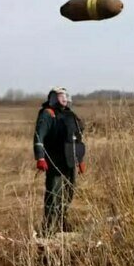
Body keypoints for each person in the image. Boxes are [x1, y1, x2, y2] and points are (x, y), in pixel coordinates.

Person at [33, 86, 86, 235]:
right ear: (53, 98)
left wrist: (80, 160)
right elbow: (39, 136)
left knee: (68, 193)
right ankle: (49, 227)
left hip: (69, 161)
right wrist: (40, 157)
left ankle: (62, 223)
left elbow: (77, 138)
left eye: (65, 95)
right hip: (54, 161)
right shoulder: (47, 114)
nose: (63, 98)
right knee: (53, 194)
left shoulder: (71, 115)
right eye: (60, 95)